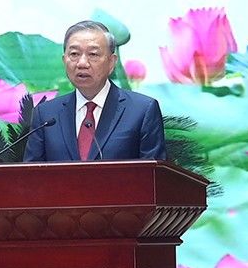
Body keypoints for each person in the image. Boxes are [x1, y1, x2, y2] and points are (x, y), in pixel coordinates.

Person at [23, 20, 167, 162]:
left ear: (111, 62)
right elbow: (31, 173)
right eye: (74, 54)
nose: (82, 63)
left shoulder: (142, 111)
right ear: (64, 60)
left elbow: (153, 174)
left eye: (93, 54)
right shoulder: (46, 115)